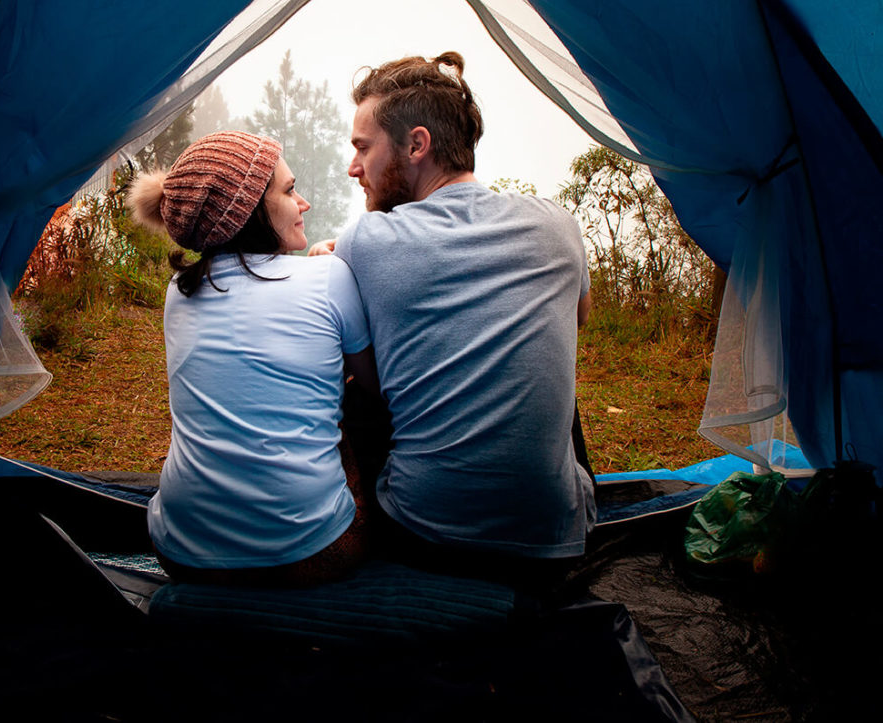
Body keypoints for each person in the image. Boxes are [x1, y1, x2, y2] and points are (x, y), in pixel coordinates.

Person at [314, 52, 595, 583]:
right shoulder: (558, 226)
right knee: (536, 355)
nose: (354, 168)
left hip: (424, 538)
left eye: (362, 148)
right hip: (557, 547)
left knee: (351, 383)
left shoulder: (364, 242)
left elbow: (375, 383)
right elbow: (577, 319)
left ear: (416, 145)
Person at [128, 131, 377, 587]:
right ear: (246, 211)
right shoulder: (329, 279)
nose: (303, 204)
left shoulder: (178, 294)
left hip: (181, 550)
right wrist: (330, 271)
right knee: (357, 413)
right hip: (311, 553)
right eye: (288, 190)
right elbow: (374, 384)